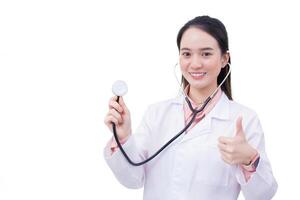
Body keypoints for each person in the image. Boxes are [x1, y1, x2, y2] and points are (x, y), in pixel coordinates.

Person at [103, 15, 277, 200]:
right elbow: (133, 180)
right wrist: (122, 138)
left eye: (206, 53)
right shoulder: (157, 114)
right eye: (186, 54)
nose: (195, 64)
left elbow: (263, 195)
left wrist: (249, 159)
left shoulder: (244, 119)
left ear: (225, 59)